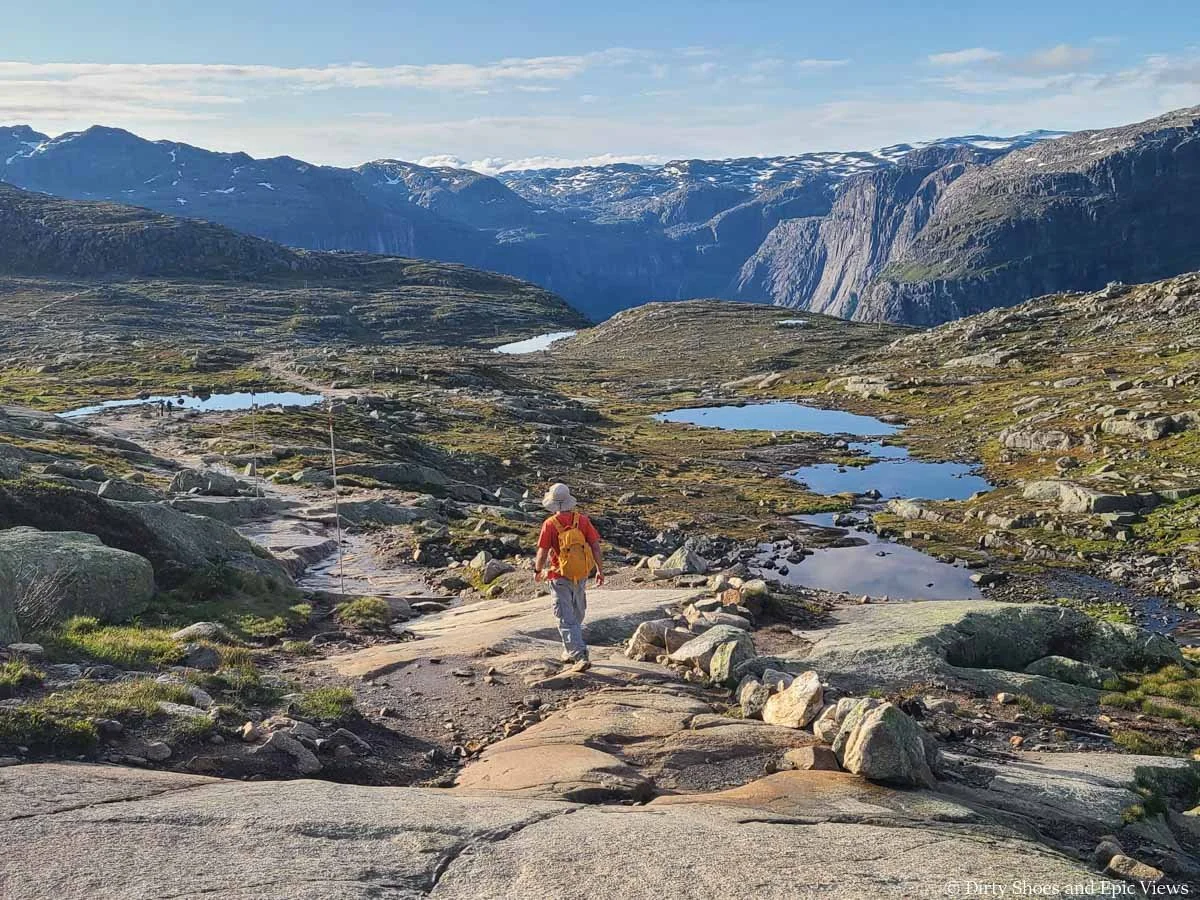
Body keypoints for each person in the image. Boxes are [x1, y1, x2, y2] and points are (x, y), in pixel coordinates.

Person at [534, 483, 604, 670]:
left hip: (559, 575)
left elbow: (542, 551)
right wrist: (599, 570)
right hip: (580, 573)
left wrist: (537, 570)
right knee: (577, 611)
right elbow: (595, 546)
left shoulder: (550, 524)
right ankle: (571, 648)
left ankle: (579, 654)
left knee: (565, 616)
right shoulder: (582, 520)